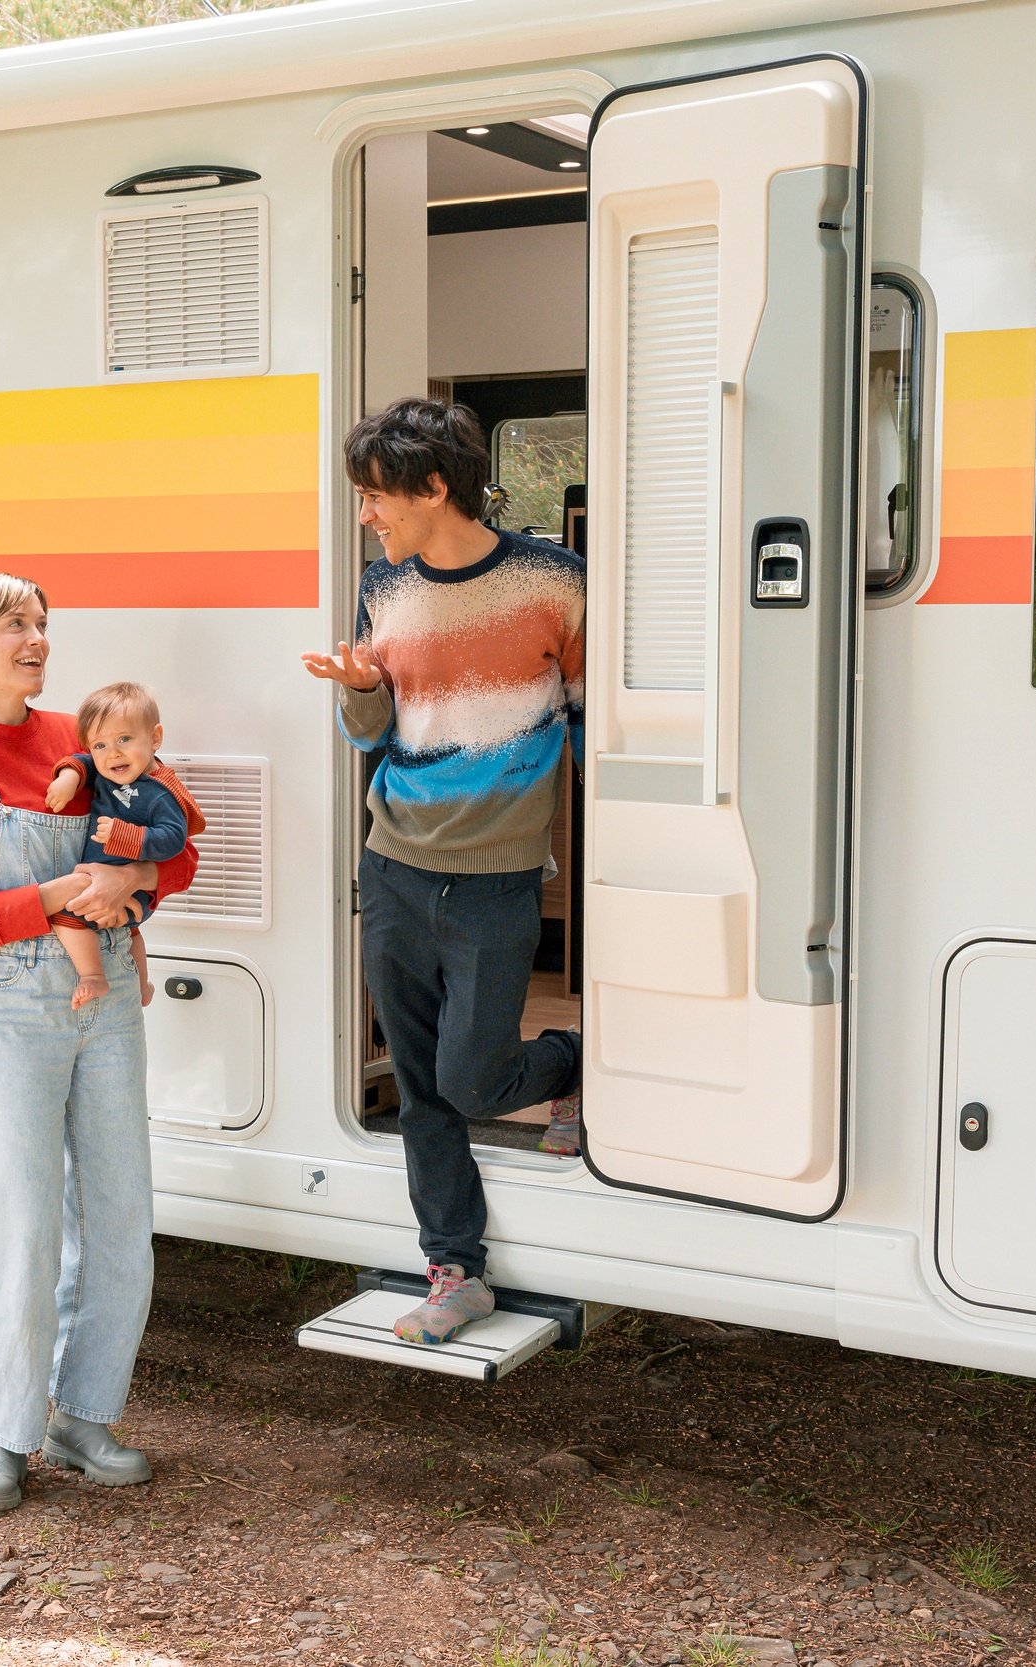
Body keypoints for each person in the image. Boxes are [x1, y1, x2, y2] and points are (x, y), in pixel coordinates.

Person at [0, 573, 198, 1513]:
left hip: (106, 1001)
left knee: (119, 1218)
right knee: (21, 1228)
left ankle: (83, 1415)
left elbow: (182, 845)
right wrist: (69, 892)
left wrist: (135, 884)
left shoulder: (85, 733)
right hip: (14, 1007)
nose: (37, 640)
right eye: (15, 625)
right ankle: (7, 1434)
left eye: (41, 623)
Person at [301, 397, 584, 1347]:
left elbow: (589, 716)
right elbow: (370, 733)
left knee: (471, 1080)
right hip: (394, 867)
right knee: (421, 1085)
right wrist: (361, 692)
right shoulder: (382, 587)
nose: (366, 515)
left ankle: (570, 1062)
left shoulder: (555, 581)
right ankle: (455, 1269)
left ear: (432, 486)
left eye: (375, 495)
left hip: (498, 879)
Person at [44, 681, 199, 1010]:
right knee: (131, 934)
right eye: (100, 745)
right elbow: (85, 762)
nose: (112, 753)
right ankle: (142, 987)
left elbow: (174, 839)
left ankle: (91, 975)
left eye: (124, 739)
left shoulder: (160, 793)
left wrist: (126, 837)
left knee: (65, 917)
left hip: (133, 893)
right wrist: (70, 777)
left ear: (155, 738)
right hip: (115, 886)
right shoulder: (108, 772)